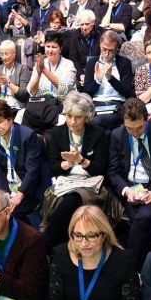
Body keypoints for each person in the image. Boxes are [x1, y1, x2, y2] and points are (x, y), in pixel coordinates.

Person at [107, 98, 151, 267]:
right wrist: (127, 191)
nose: (135, 133)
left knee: (142, 218)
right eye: (130, 128)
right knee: (142, 221)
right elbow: (114, 172)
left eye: (139, 127)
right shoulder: (117, 135)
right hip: (131, 187)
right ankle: (142, 267)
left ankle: (129, 268)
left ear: (146, 119)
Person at [42, 92, 114, 251]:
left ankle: (47, 246)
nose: (72, 122)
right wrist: (68, 163)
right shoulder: (56, 133)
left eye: (77, 117)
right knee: (67, 202)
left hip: (91, 184)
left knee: (71, 200)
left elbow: (101, 168)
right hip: (65, 182)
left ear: (86, 117)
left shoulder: (98, 134)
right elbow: (53, 166)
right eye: (68, 116)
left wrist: (81, 161)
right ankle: (58, 249)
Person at [0, 99, 48, 220]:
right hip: (8, 186)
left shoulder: (27, 136)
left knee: (7, 216)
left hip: (28, 188)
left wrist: (18, 196)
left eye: (0, 122)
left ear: (10, 119)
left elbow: (32, 172)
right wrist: (4, 193)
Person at [81, 30, 136, 130]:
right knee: (99, 126)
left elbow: (128, 92)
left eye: (111, 50)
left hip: (117, 105)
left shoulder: (124, 63)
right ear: (100, 45)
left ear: (116, 48)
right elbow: (86, 93)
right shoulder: (92, 62)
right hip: (96, 105)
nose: (107, 53)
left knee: (97, 122)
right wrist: (97, 80)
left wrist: (111, 78)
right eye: (104, 49)